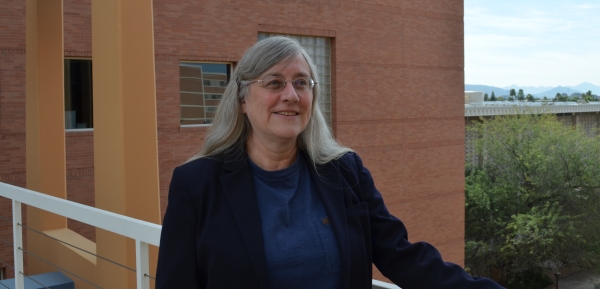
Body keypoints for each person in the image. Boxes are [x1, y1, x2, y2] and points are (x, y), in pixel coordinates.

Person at [156, 36, 505, 289]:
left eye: (301, 83)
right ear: (244, 99)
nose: (291, 95)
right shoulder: (197, 184)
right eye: (274, 82)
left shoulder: (344, 172)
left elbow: (403, 257)